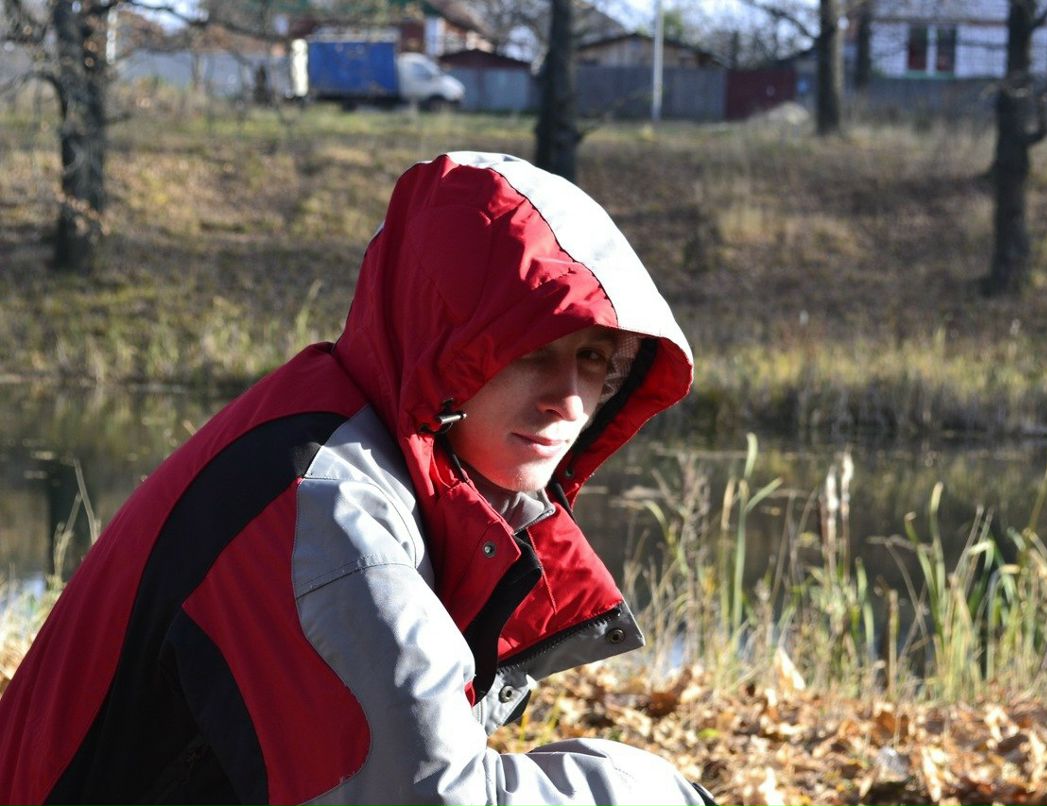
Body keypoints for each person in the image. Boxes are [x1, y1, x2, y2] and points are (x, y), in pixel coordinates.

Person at [0, 152, 713, 805]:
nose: (569, 397)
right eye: (532, 351)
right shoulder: (326, 504)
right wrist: (661, 792)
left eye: (594, 358)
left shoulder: (365, 443)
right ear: (443, 341)